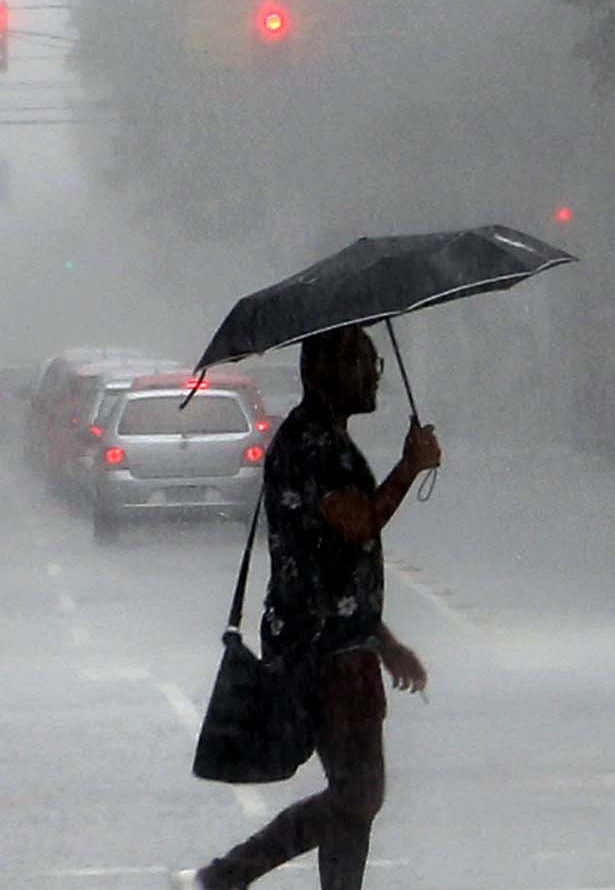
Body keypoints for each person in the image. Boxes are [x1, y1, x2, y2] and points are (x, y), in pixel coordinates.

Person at [178, 327, 442, 890]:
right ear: (326, 371)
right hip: (324, 652)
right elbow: (356, 525)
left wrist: (385, 642)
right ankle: (223, 877)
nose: (374, 374)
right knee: (359, 794)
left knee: (356, 796)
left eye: (374, 362)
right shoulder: (313, 445)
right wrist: (409, 467)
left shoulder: (327, 440)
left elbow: (336, 567)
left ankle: (236, 879)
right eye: (363, 363)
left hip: (339, 641)